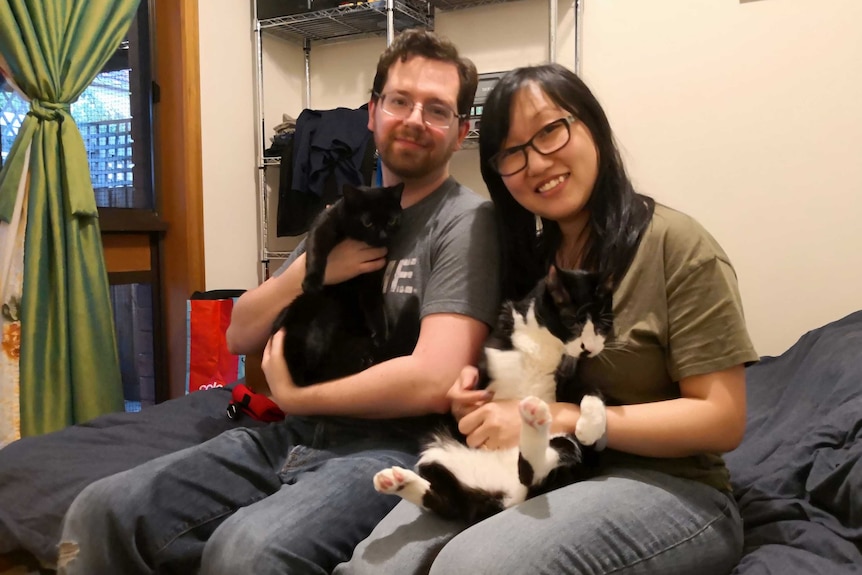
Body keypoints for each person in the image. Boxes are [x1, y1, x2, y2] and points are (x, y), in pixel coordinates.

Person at [57, 29, 501, 575]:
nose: (414, 118)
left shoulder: (467, 221)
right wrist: (316, 272)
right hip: (288, 435)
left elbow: (435, 377)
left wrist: (299, 396)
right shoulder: (343, 213)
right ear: (372, 112)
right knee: (101, 509)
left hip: (392, 450)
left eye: (437, 110)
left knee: (246, 551)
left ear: (460, 133)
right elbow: (239, 333)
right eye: (400, 100)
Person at [337, 63, 759, 575]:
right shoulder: (530, 260)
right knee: (377, 566)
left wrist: (563, 418)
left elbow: (721, 418)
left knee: (476, 566)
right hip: (544, 473)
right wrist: (479, 396)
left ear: (592, 126)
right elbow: (518, 388)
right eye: (512, 153)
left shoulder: (676, 245)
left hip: (673, 485)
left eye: (550, 131)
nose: (535, 163)